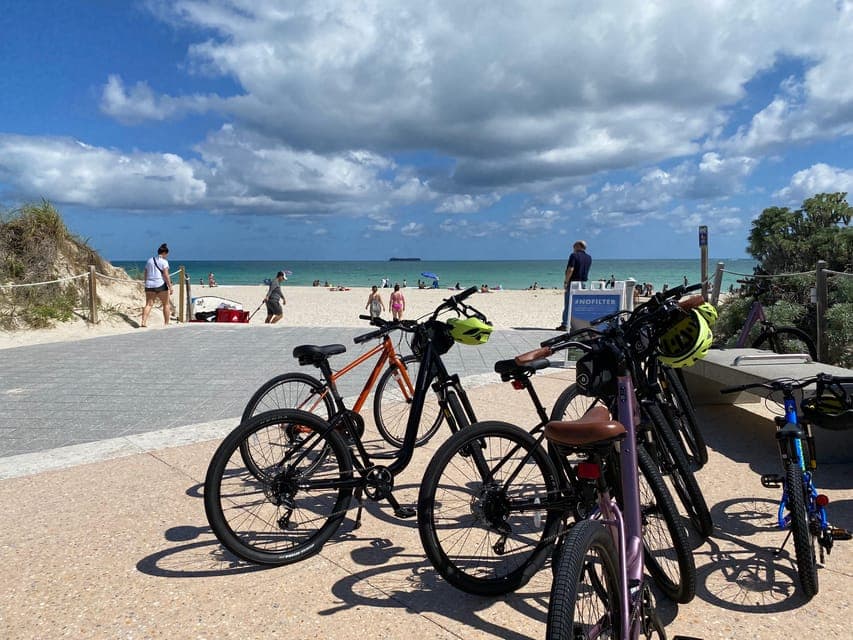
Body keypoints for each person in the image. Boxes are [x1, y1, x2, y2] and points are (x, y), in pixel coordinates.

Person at [556, 240, 592, 331]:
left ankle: (565, 324)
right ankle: (579, 325)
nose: (573, 249)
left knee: (568, 304)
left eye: (574, 246)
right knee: (580, 305)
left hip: (574, 283)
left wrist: (566, 281)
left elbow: (570, 269)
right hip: (583, 283)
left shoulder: (574, 255)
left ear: (578, 246)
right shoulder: (589, 257)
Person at [141, 243, 173, 327]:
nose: (167, 255)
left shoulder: (149, 260)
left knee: (148, 304)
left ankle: (143, 322)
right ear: (164, 253)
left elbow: (145, 272)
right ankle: (166, 323)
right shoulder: (164, 262)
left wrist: (146, 282)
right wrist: (170, 286)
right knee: (166, 304)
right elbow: (166, 275)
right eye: (167, 254)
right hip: (160, 284)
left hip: (149, 284)